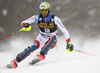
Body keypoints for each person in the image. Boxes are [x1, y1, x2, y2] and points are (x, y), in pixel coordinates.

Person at [6, 2, 74, 68]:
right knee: (32, 48)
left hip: (52, 40)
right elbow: (23, 22)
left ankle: (41, 54)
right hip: (41, 37)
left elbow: (65, 31)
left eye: (45, 10)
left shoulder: (54, 18)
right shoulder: (37, 17)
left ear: (48, 10)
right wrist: (25, 24)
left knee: (54, 37)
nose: (44, 12)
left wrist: (69, 43)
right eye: (42, 11)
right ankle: (15, 61)